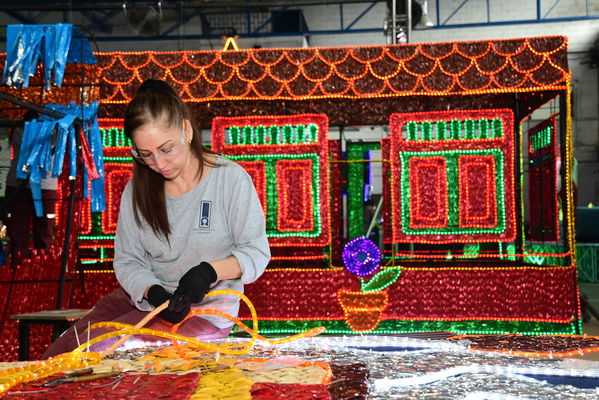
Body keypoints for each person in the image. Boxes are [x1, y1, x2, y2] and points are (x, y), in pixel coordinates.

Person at [43, 79, 270, 358]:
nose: (159, 164)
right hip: (144, 299)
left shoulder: (229, 178)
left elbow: (256, 253)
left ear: (186, 130)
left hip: (206, 313)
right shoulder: (138, 189)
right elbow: (128, 261)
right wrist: (152, 291)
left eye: (166, 149)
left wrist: (210, 272)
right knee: (61, 351)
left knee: (99, 350)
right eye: (146, 155)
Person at [4, 110, 58, 261]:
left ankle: (41, 266)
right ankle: (19, 264)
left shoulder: (54, 131)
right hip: (21, 185)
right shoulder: (20, 130)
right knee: (18, 231)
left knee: (43, 231)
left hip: (43, 186)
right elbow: (31, 148)